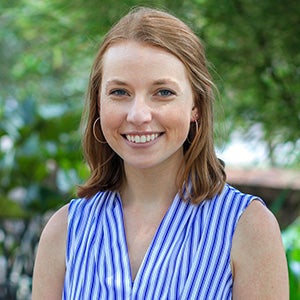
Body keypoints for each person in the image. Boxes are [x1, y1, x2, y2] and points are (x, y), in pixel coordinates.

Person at [32, 7, 289, 299]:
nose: (138, 114)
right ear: (99, 105)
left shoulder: (248, 228)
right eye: (120, 92)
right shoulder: (64, 231)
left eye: (163, 92)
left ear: (196, 106)